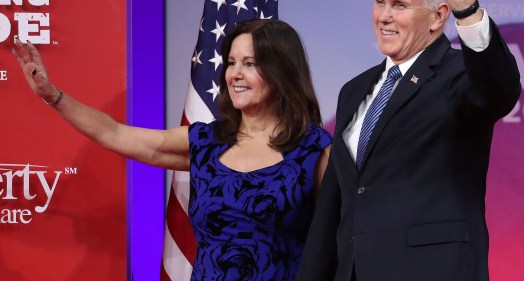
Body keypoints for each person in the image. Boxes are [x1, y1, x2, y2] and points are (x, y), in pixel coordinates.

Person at [13, 19, 332, 281]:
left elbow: (341, 240)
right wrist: (52, 95)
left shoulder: (315, 150)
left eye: (249, 64)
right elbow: (113, 133)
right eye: (231, 63)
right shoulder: (207, 143)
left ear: (282, 72)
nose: (235, 74)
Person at [296, 0, 521, 280]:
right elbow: (333, 206)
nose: (384, 17)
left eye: (399, 5)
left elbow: (499, 90)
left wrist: (467, 12)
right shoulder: (353, 91)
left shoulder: (460, 75)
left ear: (438, 17)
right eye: (380, 3)